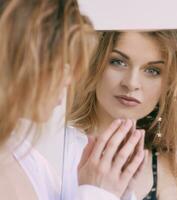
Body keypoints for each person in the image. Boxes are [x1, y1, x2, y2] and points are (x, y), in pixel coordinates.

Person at [0, 1, 144, 199]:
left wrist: (110, 188)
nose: (70, 81)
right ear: (23, 59)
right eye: (63, 63)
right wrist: (97, 193)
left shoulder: (25, 156)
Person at [68, 31, 177, 200]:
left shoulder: (168, 159)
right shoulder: (59, 143)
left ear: (168, 85)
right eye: (118, 62)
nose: (131, 83)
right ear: (94, 66)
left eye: (152, 70)